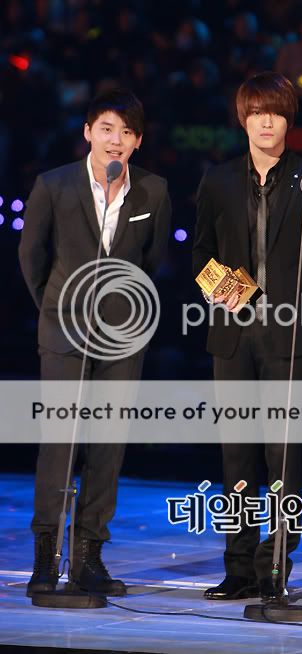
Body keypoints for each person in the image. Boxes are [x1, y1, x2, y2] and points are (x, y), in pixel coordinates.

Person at [193, 71, 302, 601]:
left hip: (289, 336)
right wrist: (229, 291)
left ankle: (275, 563)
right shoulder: (218, 181)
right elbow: (200, 252)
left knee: (283, 455)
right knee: (236, 454)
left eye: (275, 113)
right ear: (243, 119)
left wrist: (295, 309)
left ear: (288, 120)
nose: (265, 122)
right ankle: (238, 567)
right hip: (231, 335)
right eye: (257, 113)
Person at [19, 89, 171, 597]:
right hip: (64, 330)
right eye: (106, 129)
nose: (115, 140)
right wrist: (58, 307)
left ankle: (89, 554)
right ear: (88, 132)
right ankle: (46, 555)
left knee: (107, 446)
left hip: (122, 337)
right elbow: (32, 258)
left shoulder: (153, 191)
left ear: (138, 141)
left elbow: (152, 262)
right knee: (59, 444)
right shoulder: (54, 184)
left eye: (126, 132)